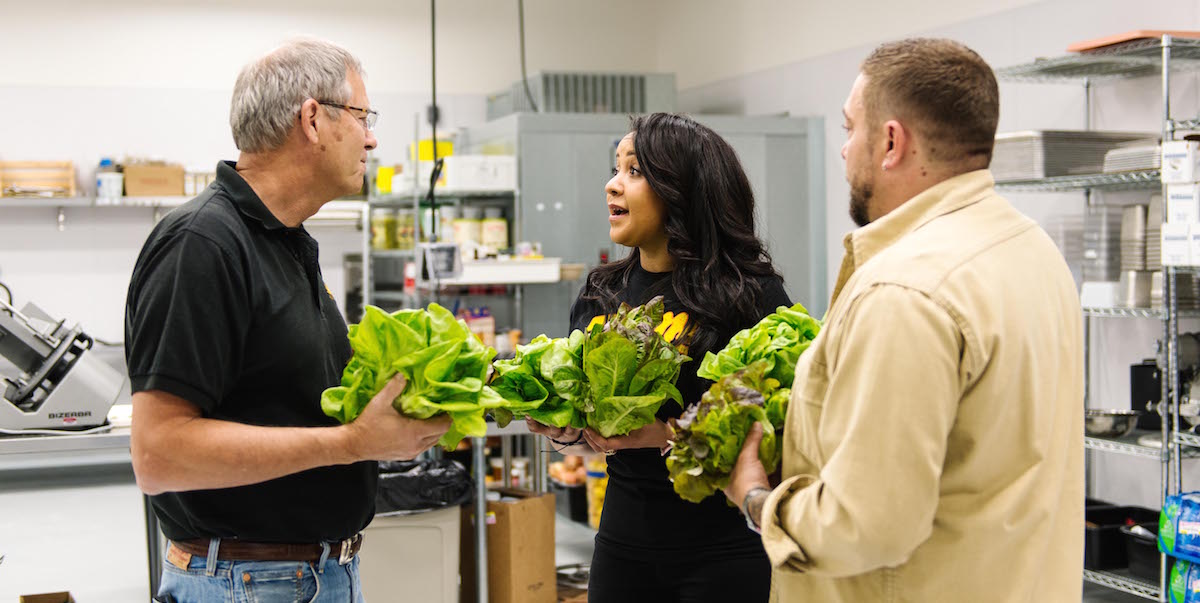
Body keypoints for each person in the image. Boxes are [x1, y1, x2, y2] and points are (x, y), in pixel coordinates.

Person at [724, 38, 1084, 602]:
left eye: (849, 130)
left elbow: (865, 525)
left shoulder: (905, 290)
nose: (844, 152)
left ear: (891, 142)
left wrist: (755, 498)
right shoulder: (1032, 249)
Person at [124, 39, 450, 603]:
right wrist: (352, 443)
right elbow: (159, 455)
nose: (372, 136)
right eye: (362, 116)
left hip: (311, 574)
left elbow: (290, 396)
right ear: (313, 119)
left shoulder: (287, 241)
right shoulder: (202, 244)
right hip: (246, 582)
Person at [527, 112, 793, 602]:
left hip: (723, 551)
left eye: (633, 171)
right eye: (615, 168)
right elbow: (588, 417)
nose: (612, 185)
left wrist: (661, 435)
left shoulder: (748, 295)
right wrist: (565, 426)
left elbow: (778, 429)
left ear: (683, 190)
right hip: (622, 543)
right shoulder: (600, 292)